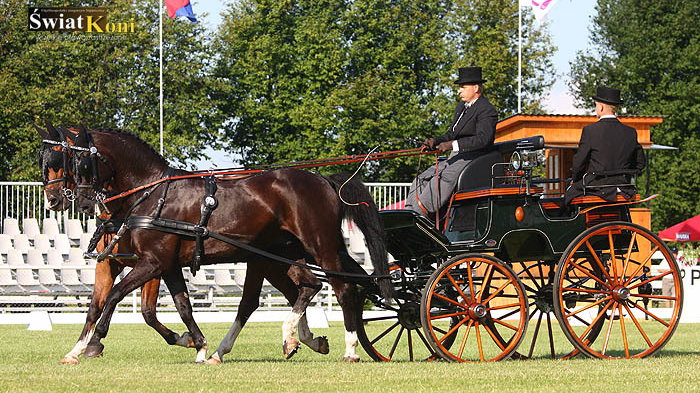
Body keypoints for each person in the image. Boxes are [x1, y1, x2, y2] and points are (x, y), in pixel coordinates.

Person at [405, 66, 497, 217]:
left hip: (475, 157)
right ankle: (409, 212)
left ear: (475, 88)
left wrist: (452, 145)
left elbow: (483, 139)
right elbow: (452, 133)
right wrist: (435, 141)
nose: (459, 91)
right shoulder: (462, 107)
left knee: (443, 178)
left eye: (462, 87)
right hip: (457, 156)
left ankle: (421, 213)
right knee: (422, 177)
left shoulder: (486, 110)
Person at [564, 86, 646, 205]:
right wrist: (626, 175)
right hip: (624, 188)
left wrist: (575, 180)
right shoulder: (630, 132)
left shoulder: (590, 131)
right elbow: (640, 163)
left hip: (596, 187)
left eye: (596, 105)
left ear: (601, 107)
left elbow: (579, 163)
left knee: (567, 197)